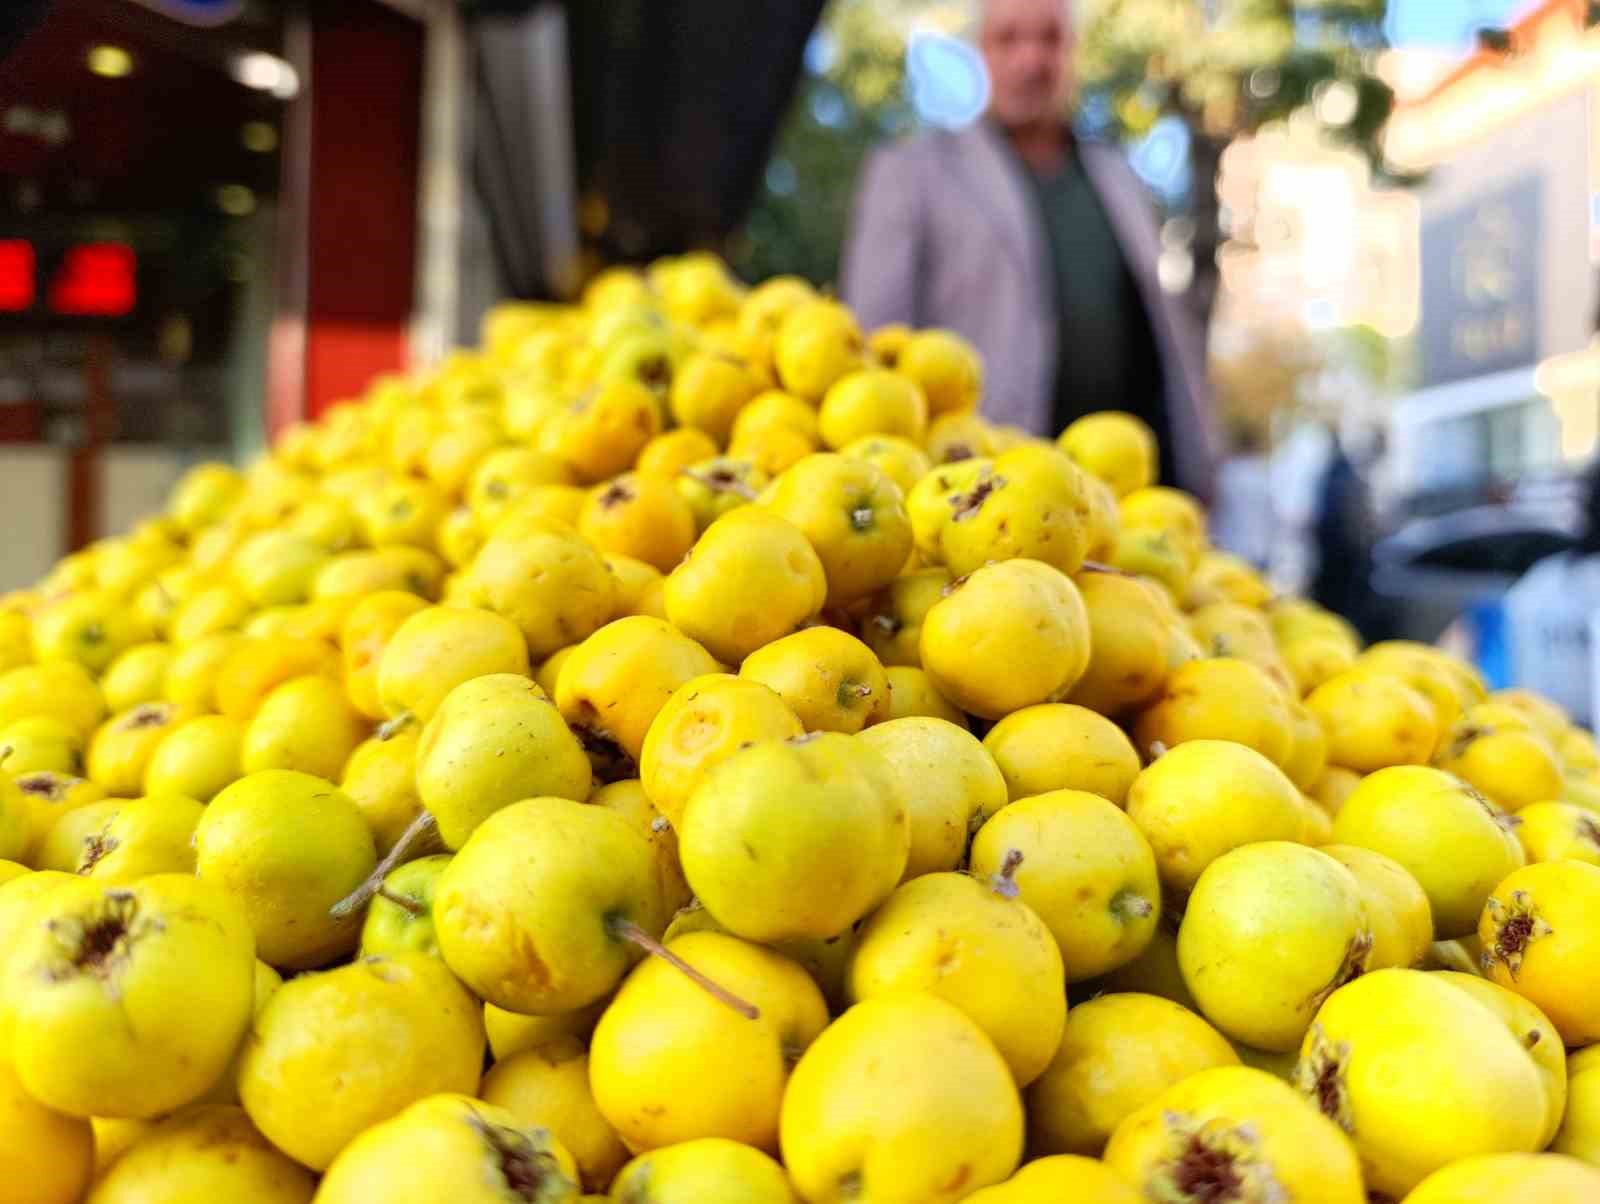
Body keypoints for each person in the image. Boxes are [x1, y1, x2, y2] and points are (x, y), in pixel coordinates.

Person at [841, 0, 1216, 499]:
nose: (1031, 60)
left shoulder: (1118, 177)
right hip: (983, 495)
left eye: (1050, 39)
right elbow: (874, 340)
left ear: (1073, 52)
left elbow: (1168, 335)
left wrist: (1203, 462)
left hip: (1128, 492)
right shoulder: (914, 172)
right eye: (1009, 39)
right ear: (981, 52)